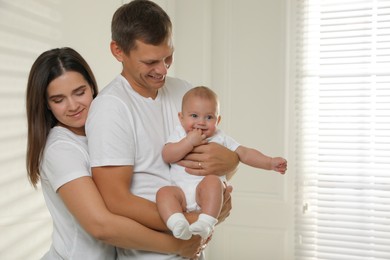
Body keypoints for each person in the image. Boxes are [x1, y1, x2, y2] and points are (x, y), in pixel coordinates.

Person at [85, 0, 239, 259]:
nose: (163, 69)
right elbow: (116, 201)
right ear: (118, 51)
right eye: (151, 61)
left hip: (194, 250)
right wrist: (194, 218)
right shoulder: (110, 109)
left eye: (168, 57)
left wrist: (231, 163)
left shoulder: (183, 92)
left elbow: (211, 163)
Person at [26, 47, 202, 260]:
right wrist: (178, 244)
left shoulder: (107, 130)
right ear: (46, 104)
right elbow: (101, 225)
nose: (73, 106)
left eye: (79, 92)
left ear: (92, 87)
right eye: (58, 99)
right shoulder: (60, 148)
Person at [156, 86, 287, 240]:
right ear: (181, 117)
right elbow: (167, 155)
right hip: (180, 195)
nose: (201, 122)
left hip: (204, 194)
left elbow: (244, 153)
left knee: (213, 181)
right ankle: (177, 223)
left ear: (218, 120)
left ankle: (206, 222)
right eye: (194, 115)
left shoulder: (220, 137)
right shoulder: (179, 134)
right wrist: (188, 142)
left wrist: (269, 162)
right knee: (163, 193)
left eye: (209, 117)